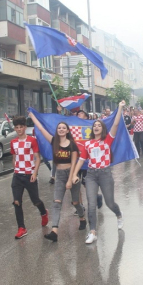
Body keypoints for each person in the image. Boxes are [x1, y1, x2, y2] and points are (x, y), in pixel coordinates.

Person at [72, 101, 126, 244]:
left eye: (98, 125)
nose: (96, 127)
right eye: (94, 125)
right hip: (91, 175)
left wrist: (119, 107)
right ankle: (93, 232)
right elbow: (81, 159)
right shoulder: (87, 144)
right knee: (91, 203)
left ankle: (118, 214)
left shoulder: (107, 140)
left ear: (102, 129)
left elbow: (115, 124)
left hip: (105, 174)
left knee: (110, 203)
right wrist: (74, 174)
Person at [29, 114, 85, 243]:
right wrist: (32, 116)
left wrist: (70, 179)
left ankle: (82, 218)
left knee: (75, 202)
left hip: (71, 174)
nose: (61, 129)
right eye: (59, 128)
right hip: (59, 174)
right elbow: (42, 129)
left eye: (63, 128)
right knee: (57, 202)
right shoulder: (54, 141)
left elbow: (74, 163)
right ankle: (54, 231)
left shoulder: (72, 145)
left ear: (67, 130)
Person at [8, 116, 49, 239]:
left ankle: (43, 212)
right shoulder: (13, 142)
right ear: (14, 128)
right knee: (17, 202)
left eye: (21, 127)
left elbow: (37, 158)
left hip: (29, 175)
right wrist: (15, 168)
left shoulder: (32, 140)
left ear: (25, 127)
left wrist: (35, 173)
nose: (19, 129)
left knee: (35, 200)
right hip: (17, 176)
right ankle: (22, 228)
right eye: (17, 127)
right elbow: (14, 157)